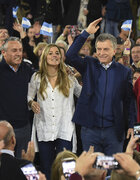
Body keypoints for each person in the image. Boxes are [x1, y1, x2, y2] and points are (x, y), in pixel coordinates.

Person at [66, 18, 135, 156]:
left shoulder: (124, 71)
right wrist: (85, 33)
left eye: (106, 49)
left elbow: (129, 101)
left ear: (114, 51)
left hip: (114, 131)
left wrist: (132, 124)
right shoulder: (89, 64)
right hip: (90, 129)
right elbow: (70, 56)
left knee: (112, 171)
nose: (101, 53)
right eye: (99, 49)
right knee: (92, 172)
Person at [27, 44, 82, 179]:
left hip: (64, 128)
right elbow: (29, 97)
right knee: (47, 167)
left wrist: (80, 74)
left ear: (61, 57)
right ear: (45, 56)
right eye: (50, 53)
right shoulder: (36, 77)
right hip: (44, 128)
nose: (54, 55)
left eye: (57, 53)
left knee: (67, 167)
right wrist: (32, 103)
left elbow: (82, 94)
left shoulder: (69, 78)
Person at [0, 37, 34, 158]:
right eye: (14, 50)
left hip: (24, 127)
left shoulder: (27, 69)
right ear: (3, 52)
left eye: (20, 50)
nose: (19, 53)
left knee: (23, 166)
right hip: (3, 130)